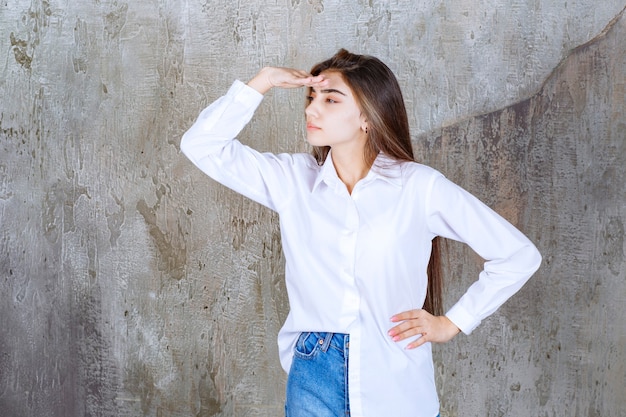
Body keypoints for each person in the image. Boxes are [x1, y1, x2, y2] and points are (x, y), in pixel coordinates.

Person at [180, 49, 541, 417]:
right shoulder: (291, 180)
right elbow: (201, 145)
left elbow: (517, 255)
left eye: (330, 99)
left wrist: (454, 322)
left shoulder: (419, 187)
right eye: (310, 98)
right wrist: (263, 81)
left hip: (395, 380)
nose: (311, 110)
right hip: (312, 373)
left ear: (367, 117)